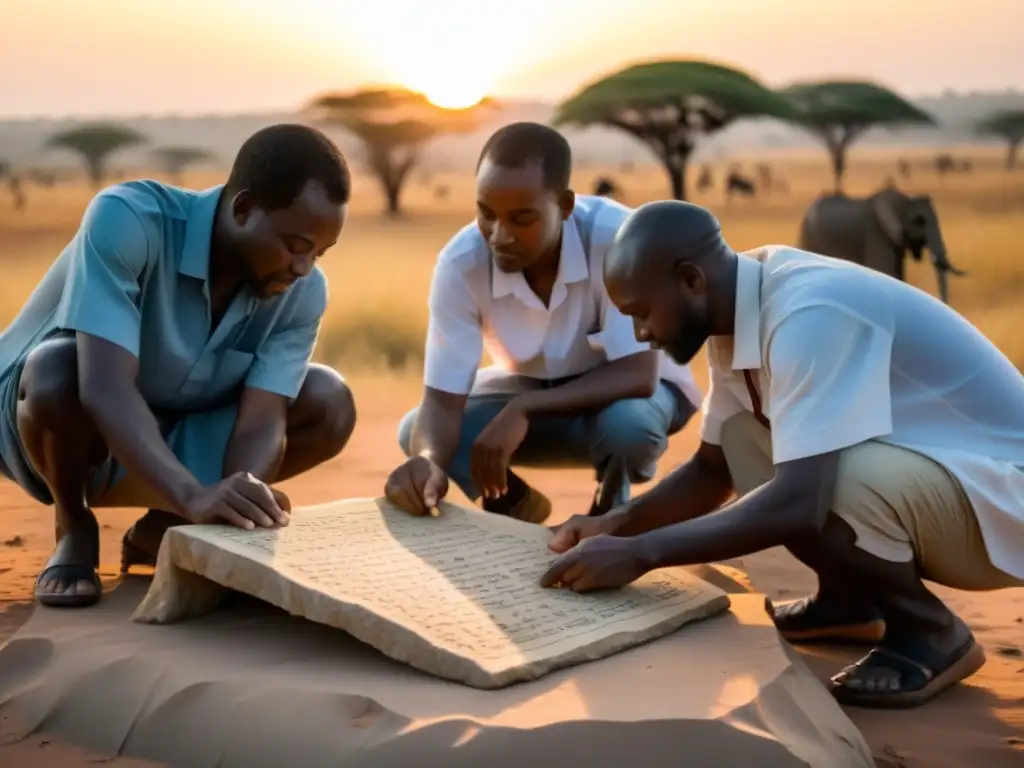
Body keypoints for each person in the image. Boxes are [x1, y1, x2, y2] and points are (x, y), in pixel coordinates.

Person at [539, 199, 1024, 709]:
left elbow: (799, 503)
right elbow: (714, 467)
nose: (640, 334)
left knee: (830, 476)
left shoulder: (811, 312)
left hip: (1005, 499)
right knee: (748, 438)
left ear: (690, 280)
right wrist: (614, 526)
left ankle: (929, 630)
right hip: (953, 487)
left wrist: (642, 553)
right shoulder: (738, 306)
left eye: (641, 313)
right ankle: (849, 602)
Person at [0, 123, 358, 609]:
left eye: (320, 253)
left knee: (327, 400)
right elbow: (103, 386)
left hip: (175, 423)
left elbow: (264, 416)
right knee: (57, 370)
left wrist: (241, 500)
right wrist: (192, 493)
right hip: (51, 426)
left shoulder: (304, 292)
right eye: (295, 245)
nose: (303, 268)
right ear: (244, 208)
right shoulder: (129, 219)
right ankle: (74, 525)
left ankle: (164, 529)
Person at [384, 123, 701, 523]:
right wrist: (429, 462)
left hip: (635, 395)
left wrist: (526, 408)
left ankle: (609, 512)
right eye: (486, 214)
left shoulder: (617, 239)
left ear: (565, 206)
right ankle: (513, 504)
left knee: (629, 427)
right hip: (533, 391)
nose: (499, 235)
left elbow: (637, 374)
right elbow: (442, 401)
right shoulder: (461, 263)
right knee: (416, 432)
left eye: (522, 219)